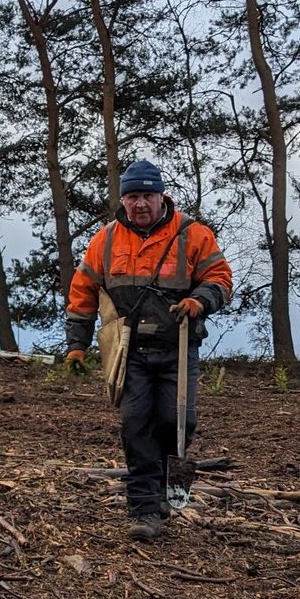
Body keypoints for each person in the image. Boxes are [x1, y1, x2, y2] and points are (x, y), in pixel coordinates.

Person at [65, 159, 233, 542]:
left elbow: (220, 278)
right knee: (135, 423)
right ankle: (143, 506)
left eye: (148, 196)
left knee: (178, 422)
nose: (140, 204)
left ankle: (162, 490)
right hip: (130, 351)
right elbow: (83, 292)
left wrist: (200, 300)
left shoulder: (193, 234)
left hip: (179, 348)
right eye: (133, 197)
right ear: (123, 201)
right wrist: (77, 345)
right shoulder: (104, 240)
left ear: (162, 197)